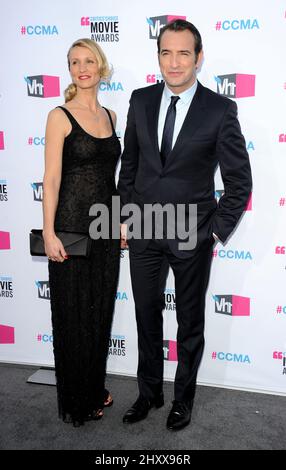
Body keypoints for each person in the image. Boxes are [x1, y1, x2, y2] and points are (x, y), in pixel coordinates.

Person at [118, 20, 252, 430]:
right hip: (143, 231)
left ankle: (183, 400)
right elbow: (131, 168)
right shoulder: (140, 101)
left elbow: (239, 181)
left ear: (198, 58)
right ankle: (149, 392)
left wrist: (213, 230)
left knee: (190, 322)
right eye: (166, 52)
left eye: (183, 53)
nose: (174, 62)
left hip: (192, 236)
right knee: (145, 315)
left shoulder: (219, 109)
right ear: (157, 56)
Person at [42, 38, 121, 427]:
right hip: (71, 226)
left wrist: (121, 222)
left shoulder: (111, 115)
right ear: (70, 69)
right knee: (73, 313)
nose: (82, 67)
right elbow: (52, 178)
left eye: (89, 60)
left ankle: (93, 386)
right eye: (74, 62)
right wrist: (49, 231)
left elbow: (112, 179)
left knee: (99, 311)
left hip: (106, 228)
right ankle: (77, 397)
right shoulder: (59, 115)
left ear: (100, 65)